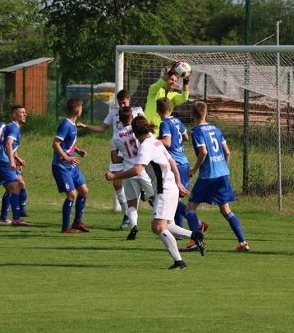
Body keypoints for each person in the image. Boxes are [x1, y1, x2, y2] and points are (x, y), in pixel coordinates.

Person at [105, 115, 205, 270]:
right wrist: (178, 182)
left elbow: (138, 169)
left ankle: (180, 262)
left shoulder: (146, 145)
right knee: (167, 224)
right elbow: (172, 162)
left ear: (135, 132)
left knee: (157, 227)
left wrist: (115, 176)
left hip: (163, 189)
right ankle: (195, 236)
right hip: (170, 187)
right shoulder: (155, 141)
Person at [186, 101, 250, 252]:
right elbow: (227, 152)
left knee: (190, 209)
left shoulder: (196, 131)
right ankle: (243, 242)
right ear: (206, 112)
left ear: (192, 114)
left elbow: (203, 152)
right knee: (226, 210)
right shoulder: (216, 129)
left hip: (208, 176)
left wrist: (194, 169)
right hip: (222, 174)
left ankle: (196, 241)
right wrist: (222, 167)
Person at [77, 89, 145, 230]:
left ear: (129, 100)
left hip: (135, 152)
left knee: (138, 183)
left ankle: (142, 213)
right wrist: (85, 126)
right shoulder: (114, 113)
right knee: (116, 182)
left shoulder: (138, 111)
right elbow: (102, 128)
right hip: (119, 148)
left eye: (124, 102)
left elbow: (145, 128)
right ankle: (127, 214)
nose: (121, 105)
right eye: (119, 102)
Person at [156, 97, 208, 249]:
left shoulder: (164, 123)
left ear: (158, 111)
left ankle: (197, 227)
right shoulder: (177, 121)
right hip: (184, 163)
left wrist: (154, 140)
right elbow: (184, 136)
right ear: (171, 109)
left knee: (172, 199)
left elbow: (167, 142)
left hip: (176, 166)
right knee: (176, 198)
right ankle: (181, 231)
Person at [109, 106, 152, 240]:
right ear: (132, 118)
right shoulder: (139, 130)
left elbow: (114, 159)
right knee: (157, 198)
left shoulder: (116, 136)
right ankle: (168, 223)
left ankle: (134, 226)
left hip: (128, 172)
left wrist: (127, 157)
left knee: (132, 203)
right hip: (143, 170)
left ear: (119, 120)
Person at [52, 98, 91, 233]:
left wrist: (78, 151)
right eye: (80, 107)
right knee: (72, 195)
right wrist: (67, 157)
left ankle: (77, 222)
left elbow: (67, 144)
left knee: (84, 191)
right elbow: (56, 144)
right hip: (61, 166)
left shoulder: (73, 124)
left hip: (72, 166)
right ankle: (65, 227)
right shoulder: (65, 125)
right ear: (76, 109)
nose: (82, 109)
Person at [0, 105, 29, 226]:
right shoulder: (14, 127)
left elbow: (9, 146)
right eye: (22, 112)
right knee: (15, 187)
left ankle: (4, 218)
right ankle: (17, 219)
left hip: (0, 160)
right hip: (3, 162)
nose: (25, 114)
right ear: (14, 115)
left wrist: (17, 158)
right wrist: (12, 161)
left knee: (15, 186)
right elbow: (8, 144)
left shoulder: (12, 127)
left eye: (25, 112)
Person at [144, 60, 190, 136]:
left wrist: (186, 80)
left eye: (175, 81)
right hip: (147, 130)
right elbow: (159, 83)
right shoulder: (154, 90)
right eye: (171, 79)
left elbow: (185, 97)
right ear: (166, 78)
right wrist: (171, 71)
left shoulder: (173, 96)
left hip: (163, 132)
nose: (173, 82)